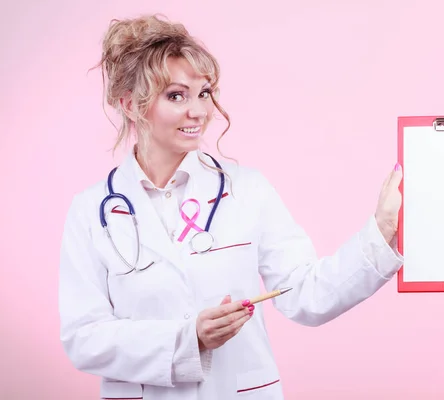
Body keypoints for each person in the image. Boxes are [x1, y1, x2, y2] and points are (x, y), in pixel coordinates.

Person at [58, 14, 404, 400]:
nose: (199, 112)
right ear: (130, 105)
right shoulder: (91, 211)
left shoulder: (248, 189)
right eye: (176, 95)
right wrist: (188, 339)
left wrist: (381, 231)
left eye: (204, 92)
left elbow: (306, 293)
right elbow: (84, 337)